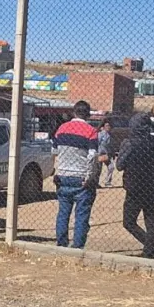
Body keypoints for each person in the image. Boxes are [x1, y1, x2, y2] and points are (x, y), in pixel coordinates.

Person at [52, 100, 103, 248]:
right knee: (81, 215)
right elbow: (92, 156)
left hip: (63, 175)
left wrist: (57, 171)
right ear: (87, 115)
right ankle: (77, 246)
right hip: (81, 177)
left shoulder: (62, 128)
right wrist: (89, 176)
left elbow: (54, 152)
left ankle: (61, 243)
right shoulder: (91, 131)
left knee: (63, 213)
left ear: (74, 112)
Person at [117, 113, 154, 259]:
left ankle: (150, 249)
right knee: (150, 219)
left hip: (134, 186)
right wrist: (152, 124)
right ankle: (151, 250)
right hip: (152, 184)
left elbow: (119, 165)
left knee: (129, 222)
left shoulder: (129, 143)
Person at [98, 120, 115, 188]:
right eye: (107, 126)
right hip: (100, 154)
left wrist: (113, 154)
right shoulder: (100, 134)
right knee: (98, 170)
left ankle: (108, 182)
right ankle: (96, 183)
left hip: (107, 154)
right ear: (103, 127)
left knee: (111, 167)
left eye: (109, 126)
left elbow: (111, 146)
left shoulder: (110, 135)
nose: (108, 127)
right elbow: (97, 143)